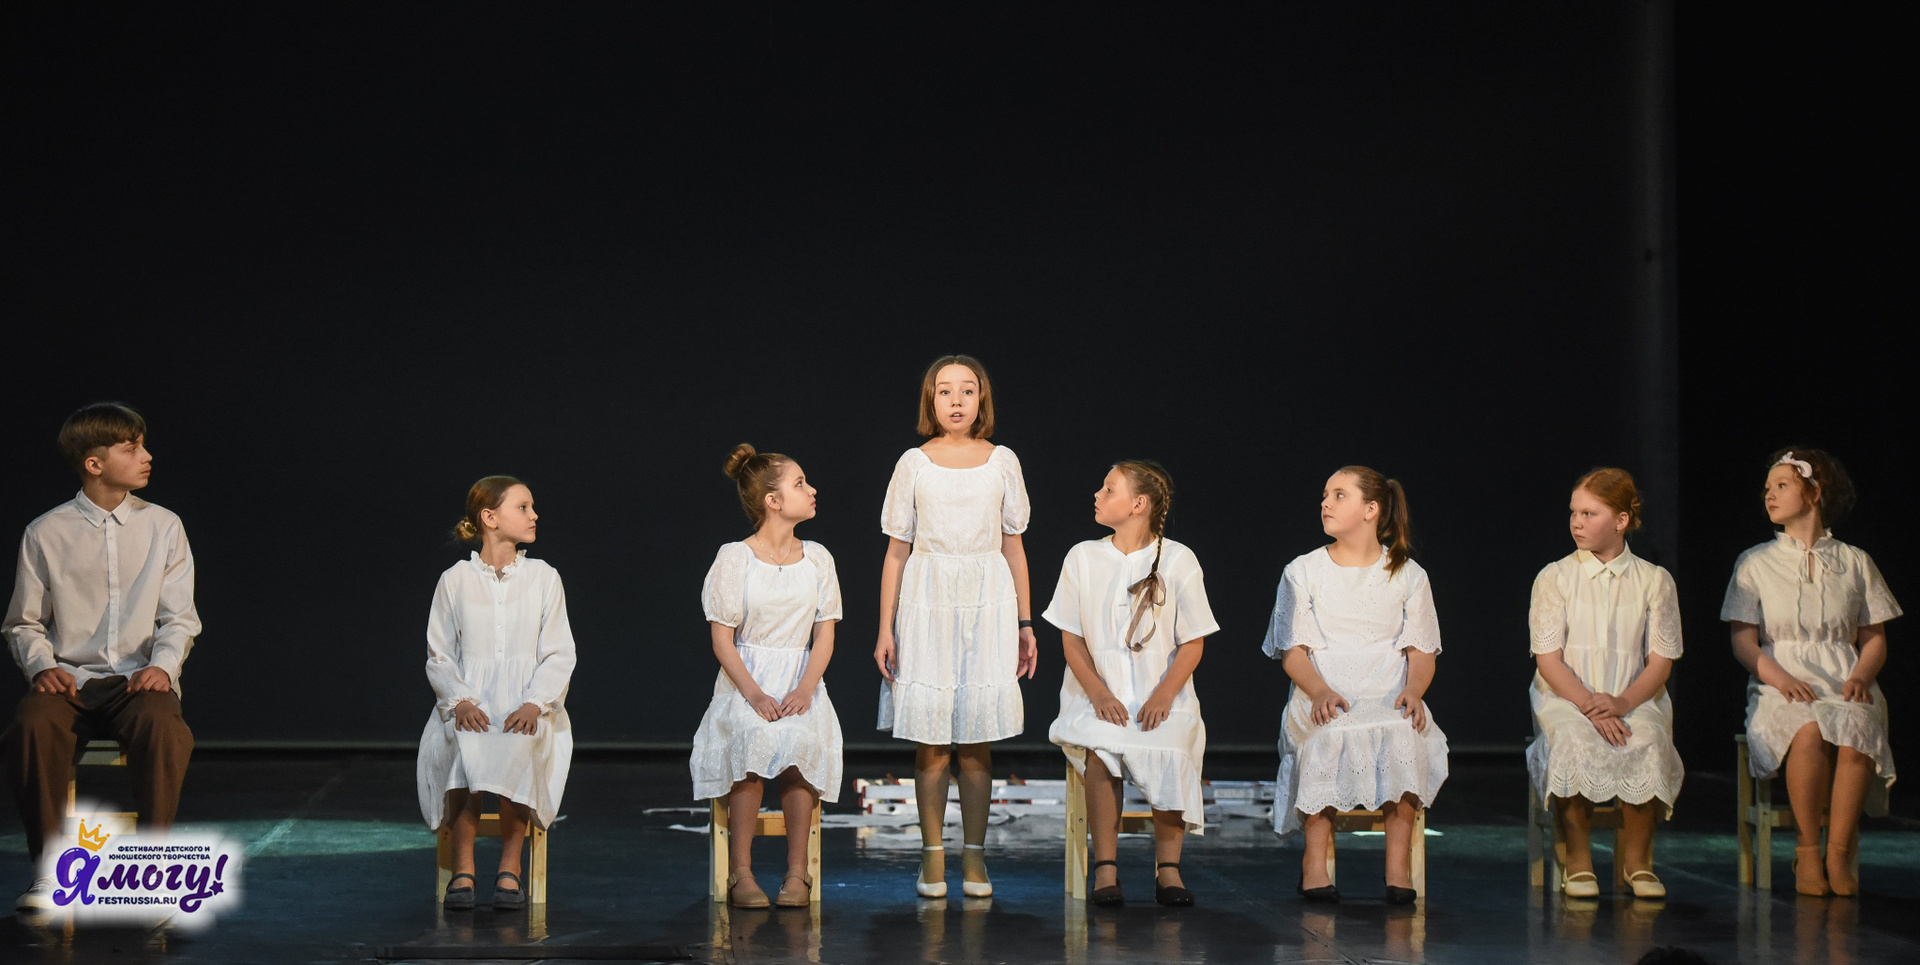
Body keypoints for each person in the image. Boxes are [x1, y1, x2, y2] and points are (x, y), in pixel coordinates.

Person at [3, 403, 199, 913]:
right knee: (31, 726)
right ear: (94, 464)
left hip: (137, 680)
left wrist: (164, 666)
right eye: (131, 448)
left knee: (165, 728)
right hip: (70, 678)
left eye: (143, 445)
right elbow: (23, 622)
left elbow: (179, 618)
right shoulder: (46, 532)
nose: (146, 456)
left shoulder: (164, 526)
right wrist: (42, 666)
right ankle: (49, 873)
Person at [874, 355, 1037, 898]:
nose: (957, 401)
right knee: (932, 740)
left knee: (975, 739)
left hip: (987, 601)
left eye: (967, 390)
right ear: (932, 400)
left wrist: (1025, 622)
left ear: (981, 399)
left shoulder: (1002, 461)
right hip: (928, 599)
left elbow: (1014, 546)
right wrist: (885, 628)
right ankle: (932, 859)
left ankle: (974, 859)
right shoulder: (914, 463)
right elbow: (896, 552)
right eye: (945, 391)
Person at [1265, 466, 1446, 905]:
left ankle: (1398, 869)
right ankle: (1314, 866)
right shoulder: (1303, 570)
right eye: (1325, 495)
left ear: (1371, 509)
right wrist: (1320, 690)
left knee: (1404, 733)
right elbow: (1293, 650)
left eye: (1339, 495)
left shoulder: (1408, 574)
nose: (1325, 503)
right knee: (1328, 733)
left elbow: (1421, 650)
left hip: (1387, 691)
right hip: (1323, 692)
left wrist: (1414, 690)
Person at [1723, 448, 1900, 896]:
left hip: (1843, 675)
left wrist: (1860, 676)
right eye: (1767, 488)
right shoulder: (1755, 561)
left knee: (1858, 725)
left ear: (1815, 493)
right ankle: (1806, 852)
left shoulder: (1854, 561)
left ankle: (1836, 853)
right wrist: (1780, 679)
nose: (1769, 495)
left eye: (1781, 486)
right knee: (1807, 729)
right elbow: (1743, 641)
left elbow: (1874, 638)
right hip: (1780, 679)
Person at [1045, 460, 1216, 907]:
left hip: (1164, 693)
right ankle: (1106, 868)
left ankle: (1168, 870)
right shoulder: (1083, 556)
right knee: (1102, 748)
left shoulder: (1178, 559)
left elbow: (1193, 642)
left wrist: (1164, 694)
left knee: (1172, 745)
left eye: (1109, 489)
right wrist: (1099, 692)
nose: (1097, 496)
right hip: (1097, 692)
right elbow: (1071, 638)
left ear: (1138, 504)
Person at [417, 476, 577, 912]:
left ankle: (510, 866)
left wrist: (535, 702)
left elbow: (559, 652)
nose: (534, 515)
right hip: (469, 700)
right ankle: (463, 866)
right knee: (464, 744)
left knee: (518, 743)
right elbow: (439, 654)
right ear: (490, 518)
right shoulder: (455, 580)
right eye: (523, 507)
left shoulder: (544, 577)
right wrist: (460, 701)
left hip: (527, 700)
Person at [696, 444, 843, 908]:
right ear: (772, 501)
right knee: (751, 739)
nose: (812, 489)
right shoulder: (734, 558)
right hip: (746, 680)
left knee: (799, 741)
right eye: (800, 483)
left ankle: (798, 873)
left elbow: (824, 635)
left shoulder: (817, 558)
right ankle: (740, 873)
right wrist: (755, 695)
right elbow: (723, 640)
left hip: (801, 678)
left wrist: (805, 688)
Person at [1527, 468, 1684, 899]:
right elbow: (1549, 660)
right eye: (1574, 513)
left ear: (1621, 520)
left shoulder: (1654, 580)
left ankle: (1638, 861)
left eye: (1589, 514)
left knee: (1646, 738)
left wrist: (1622, 702)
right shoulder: (1555, 577)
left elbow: (1660, 661)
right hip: (1567, 696)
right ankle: (1578, 859)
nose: (1577, 523)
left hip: (1633, 695)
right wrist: (1590, 705)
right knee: (1574, 739)